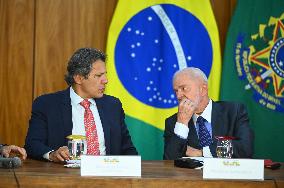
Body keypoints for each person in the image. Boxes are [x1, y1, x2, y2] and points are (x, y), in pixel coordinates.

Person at [25, 48, 138, 163]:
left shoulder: (113, 105)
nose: (105, 80)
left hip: (107, 175)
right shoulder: (47, 105)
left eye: (105, 75)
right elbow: (32, 144)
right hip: (65, 177)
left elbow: (127, 148)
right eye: (98, 76)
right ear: (78, 78)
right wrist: (52, 154)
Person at [163, 67, 253, 160]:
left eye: (184, 88)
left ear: (203, 90)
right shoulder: (173, 122)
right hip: (191, 174)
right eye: (176, 91)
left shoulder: (234, 111)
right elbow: (169, 160)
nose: (178, 96)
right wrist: (182, 123)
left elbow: (245, 149)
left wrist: (202, 152)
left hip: (228, 173)